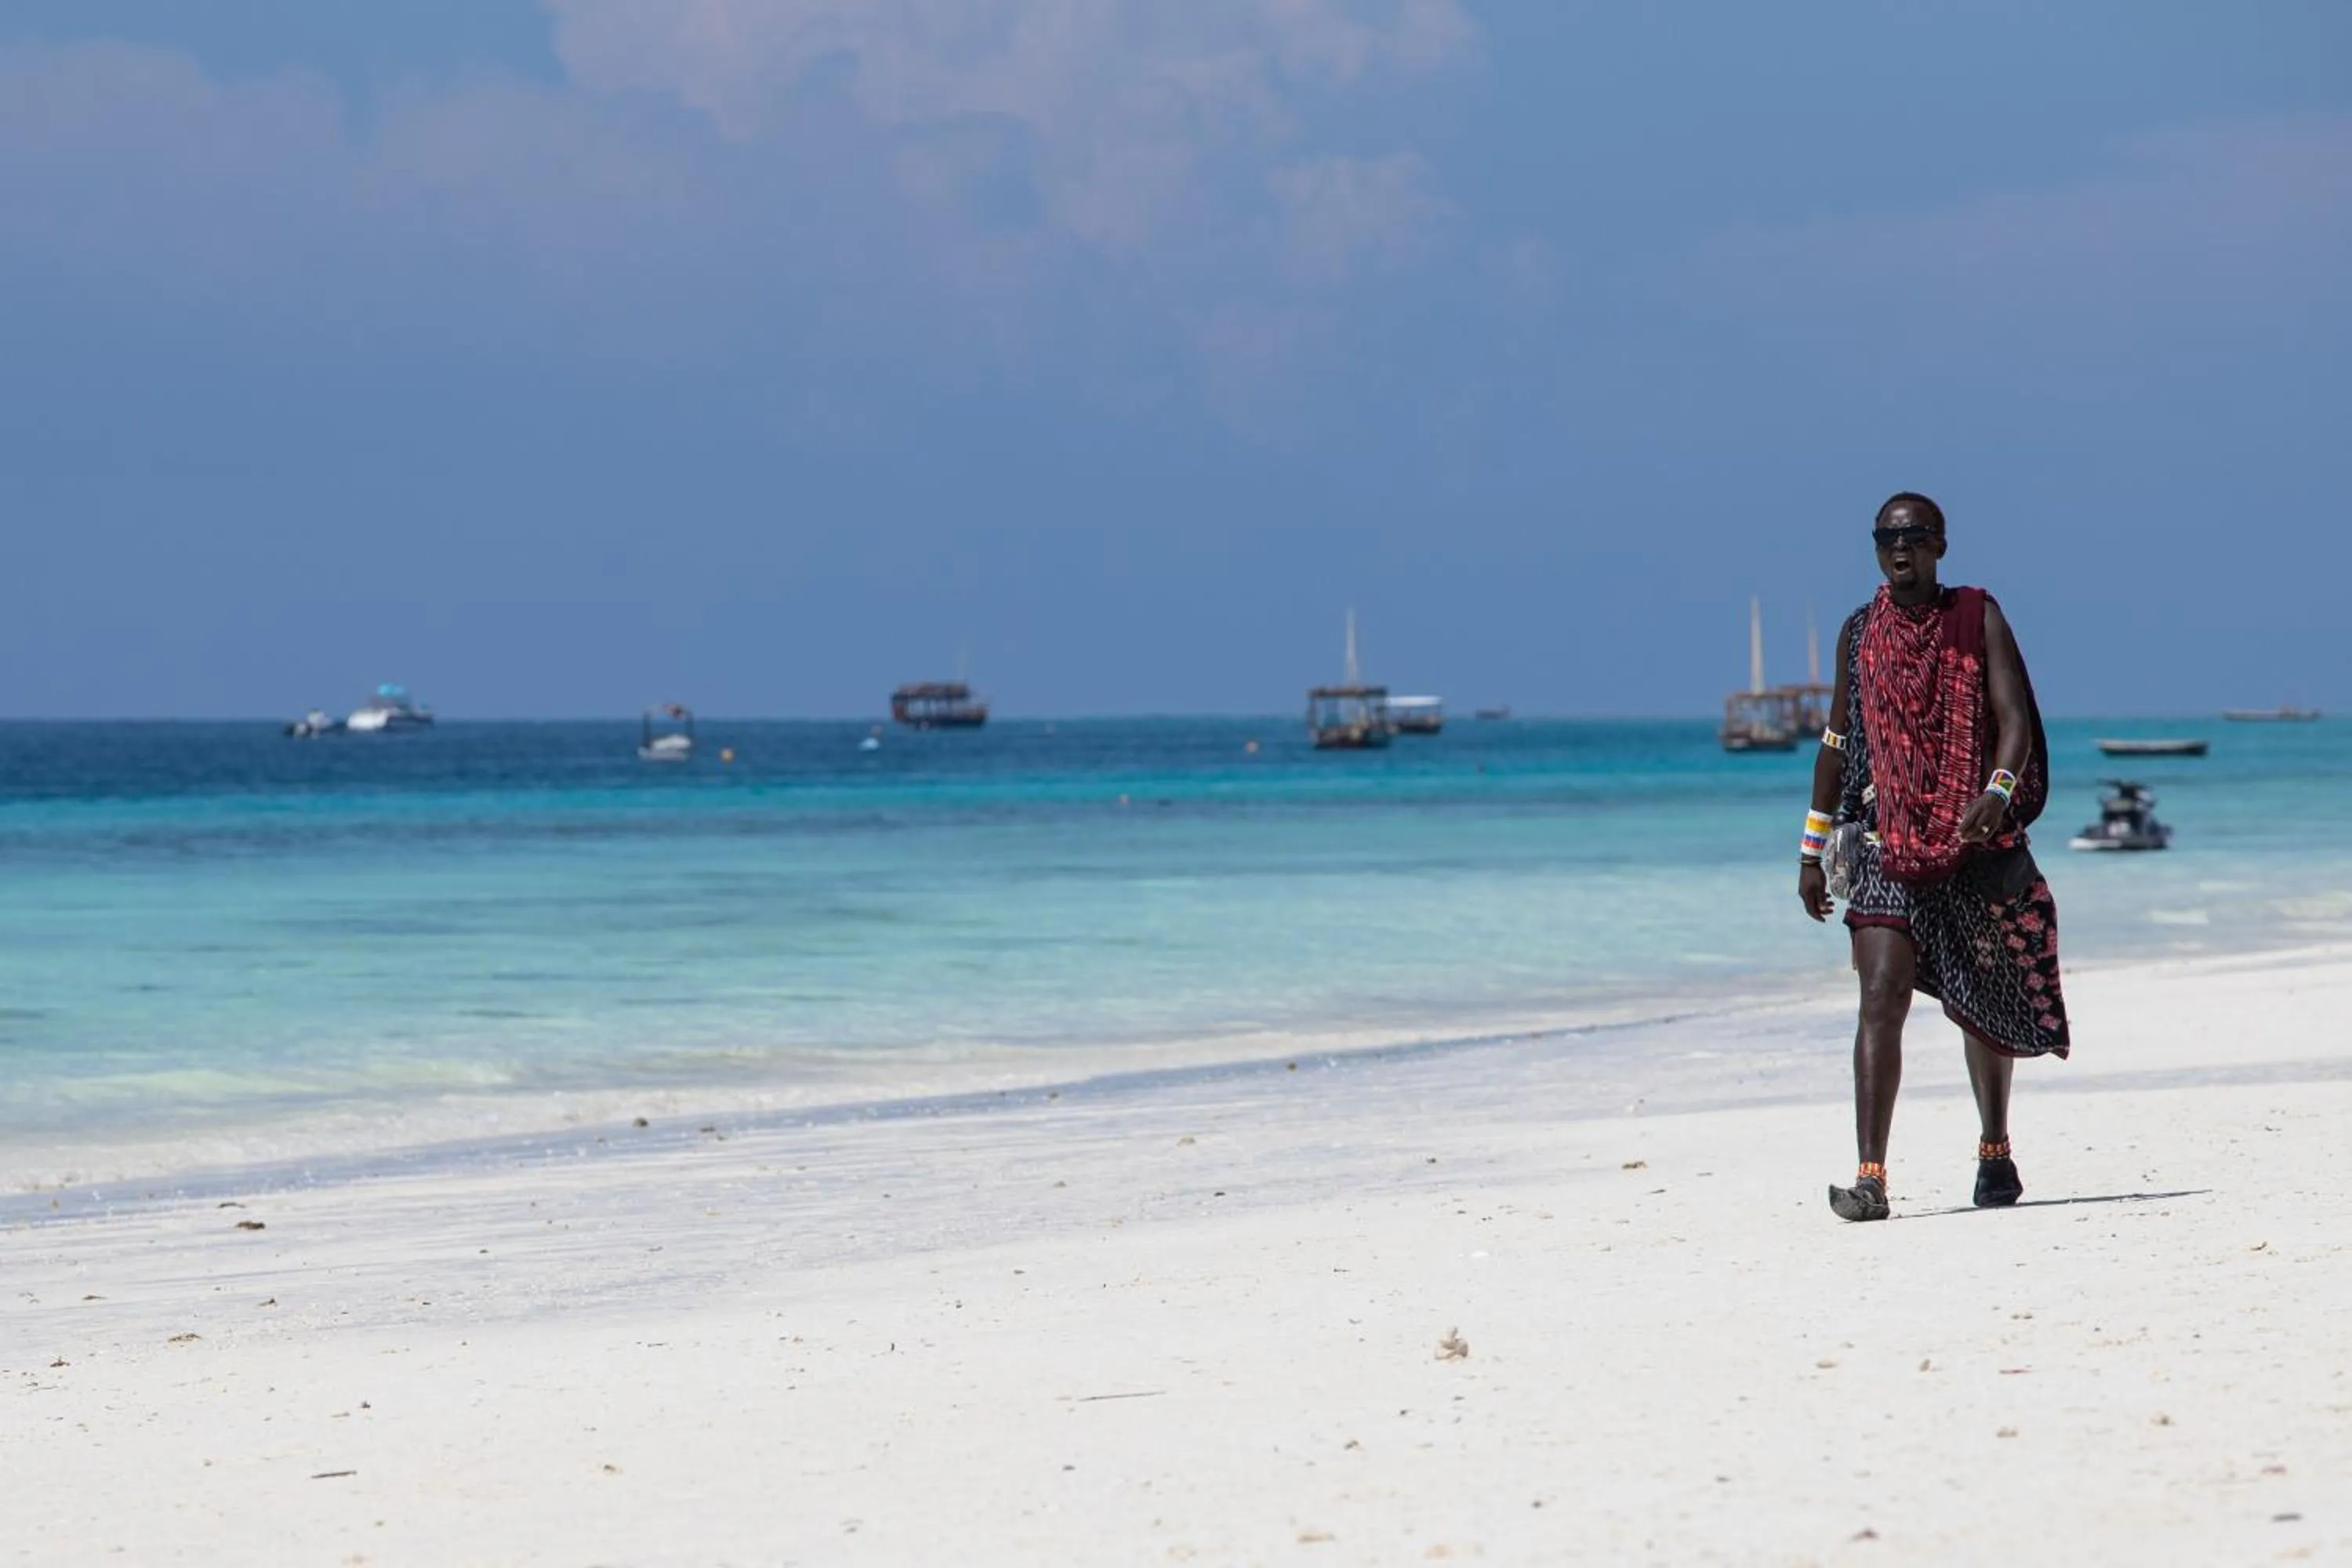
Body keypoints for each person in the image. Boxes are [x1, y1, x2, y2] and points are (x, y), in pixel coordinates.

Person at [1798, 492, 2071, 1221]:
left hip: (1970, 846)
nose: (1901, 549)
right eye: (1888, 538)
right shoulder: (1860, 634)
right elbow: (1836, 744)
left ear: (1941, 546)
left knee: (1979, 1008)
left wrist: (1997, 792)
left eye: (1916, 537)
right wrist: (1810, 850)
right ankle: (1871, 1179)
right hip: (1886, 847)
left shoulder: (1977, 618)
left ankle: (1994, 1150)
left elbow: (2014, 720)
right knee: (1879, 998)